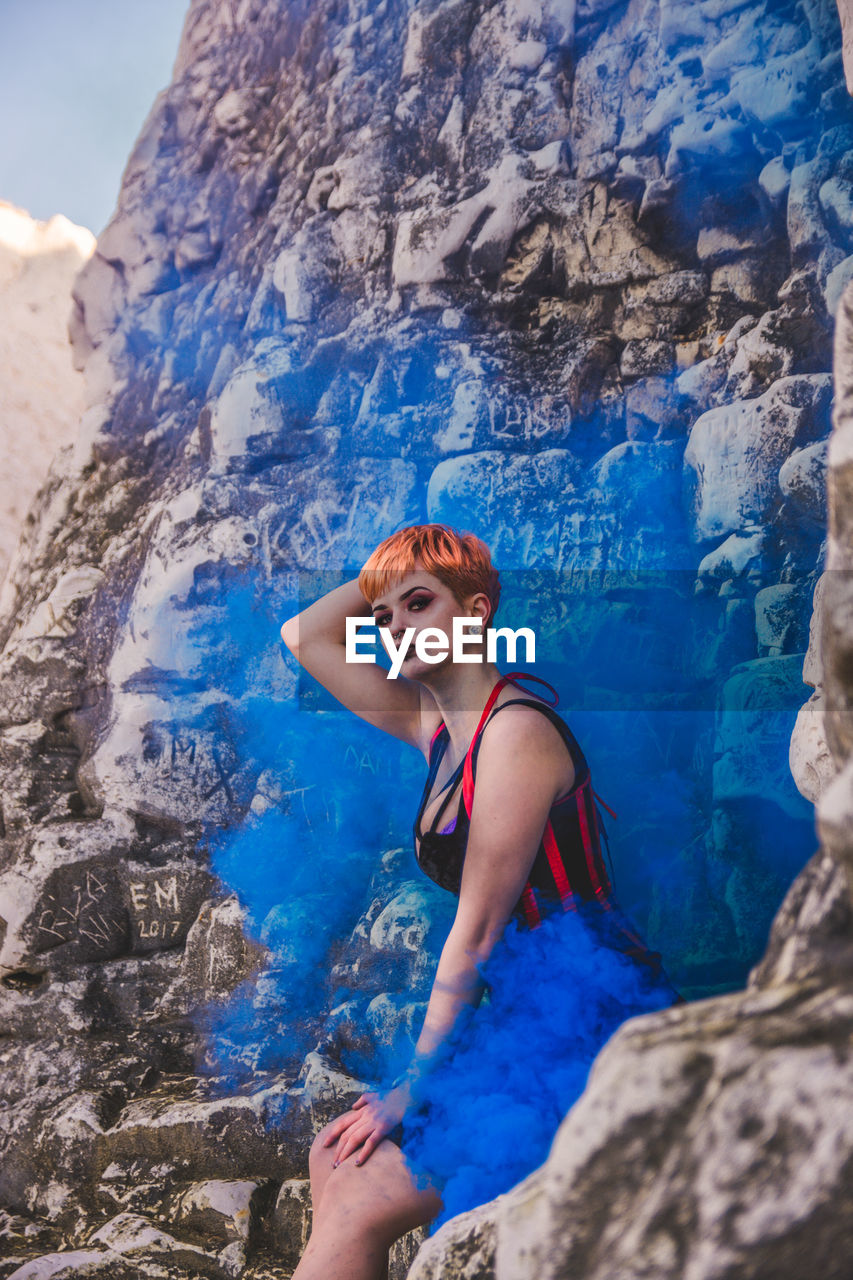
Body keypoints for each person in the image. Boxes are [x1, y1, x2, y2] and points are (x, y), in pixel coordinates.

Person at [280, 524, 677, 1280]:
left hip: (585, 1021)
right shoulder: (437, 727)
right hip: (514, 1013)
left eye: (418, 604)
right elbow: (305, 635)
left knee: (360, 1197)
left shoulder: (515, 732)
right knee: (333, 1157)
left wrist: (418, 1083)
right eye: (383, 617)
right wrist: (390, 572)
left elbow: (479, 932)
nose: (394, 627)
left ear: (477, 611)